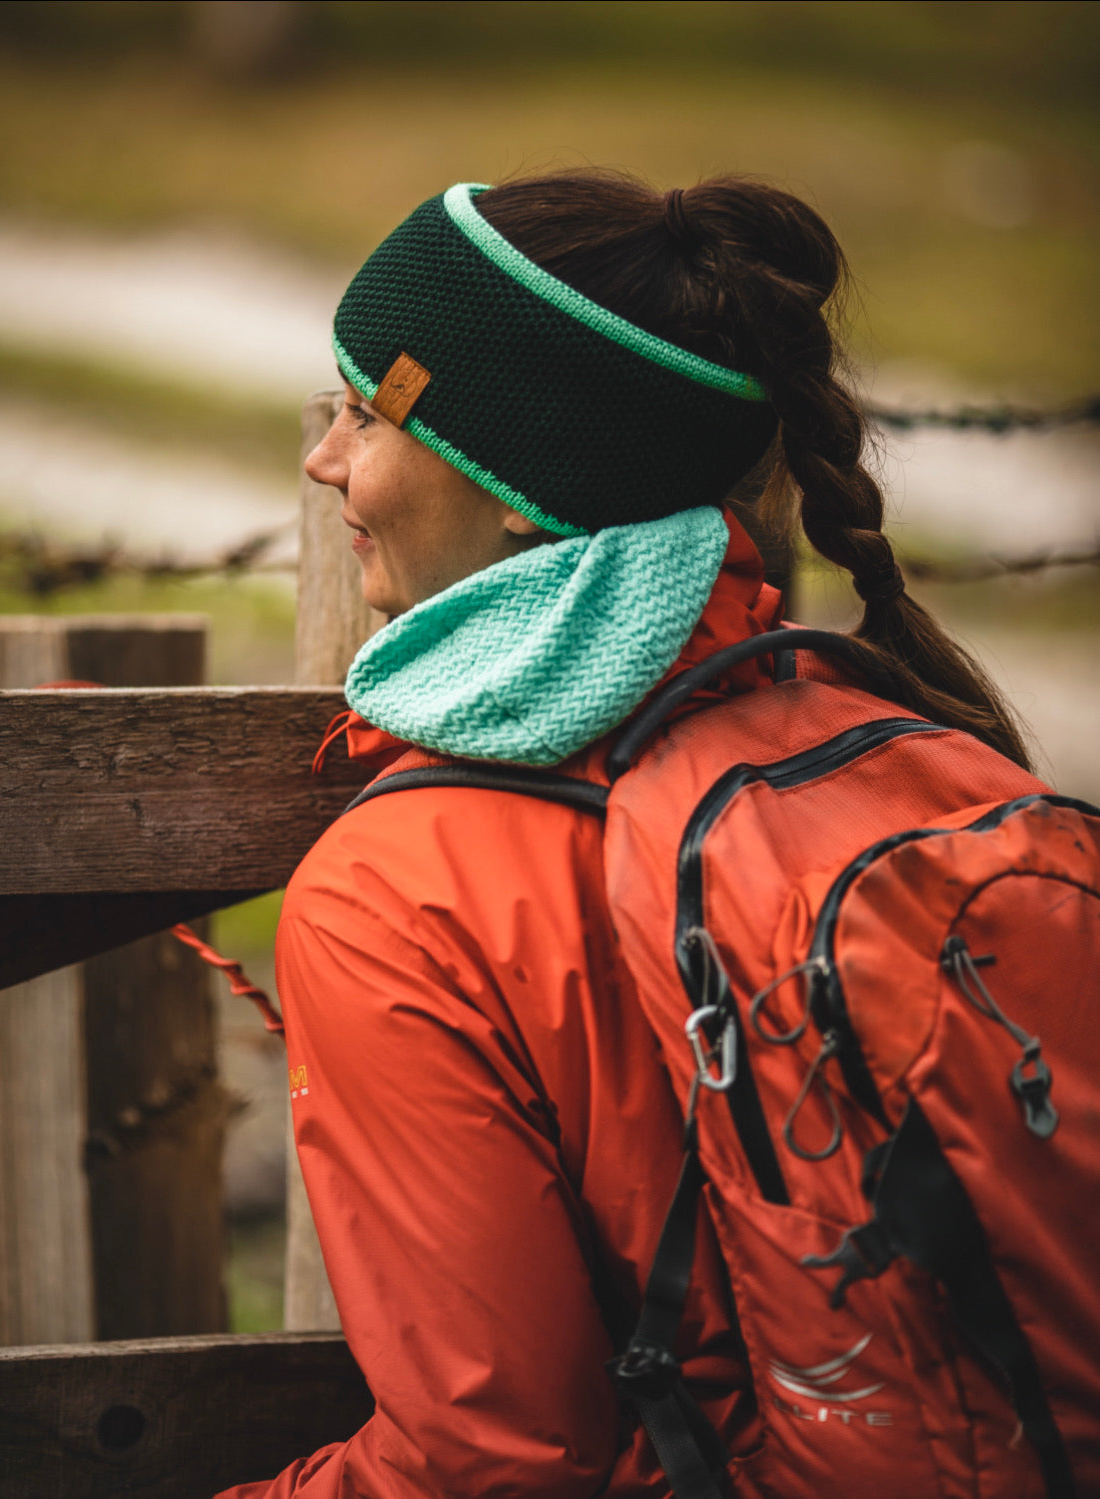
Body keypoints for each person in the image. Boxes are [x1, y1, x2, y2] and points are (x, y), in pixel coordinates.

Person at [217, 172, 1036, 1499]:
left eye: (365, 415)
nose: (323, 461)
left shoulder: (400, 891)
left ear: (516, 489)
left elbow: (490, 1465)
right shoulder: (938, 763)